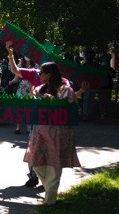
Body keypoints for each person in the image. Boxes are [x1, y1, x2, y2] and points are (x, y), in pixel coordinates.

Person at [22, 61, 81, 205]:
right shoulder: (38, 89)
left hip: (58, 132)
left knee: (54, 165)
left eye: (41, 72)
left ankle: (50, 202)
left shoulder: (66, 90)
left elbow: (73, 110)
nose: (39, 75)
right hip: (39, 132)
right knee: (36, 163)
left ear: (49, 74)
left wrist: (54, 101)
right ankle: (50, 191)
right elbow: (32, 107)